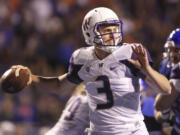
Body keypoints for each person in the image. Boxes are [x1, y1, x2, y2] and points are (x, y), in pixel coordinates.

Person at [1, 7, 171, 135]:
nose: (112, 35)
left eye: (114, 29)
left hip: (132, 131)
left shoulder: (131, 53)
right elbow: (60, 85)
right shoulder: (81, 58)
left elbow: (166, 89)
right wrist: (33, 78)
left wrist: (147, 69)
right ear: (90, 32)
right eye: (106, 30)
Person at [154, 28, 180, 135]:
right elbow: (158, 107)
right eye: (171, 49)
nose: (173, 54)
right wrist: (164, 115)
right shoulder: (166, 66)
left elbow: (160, 104)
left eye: (177, 50)